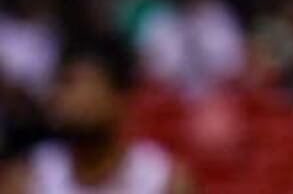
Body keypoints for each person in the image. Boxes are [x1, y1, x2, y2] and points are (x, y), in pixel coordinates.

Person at [6, 37, 187, 194]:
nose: (58, 97)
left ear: (119, 97)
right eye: (59, 83)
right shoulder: (28, 179)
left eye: (72, 84)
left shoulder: (164, 182)